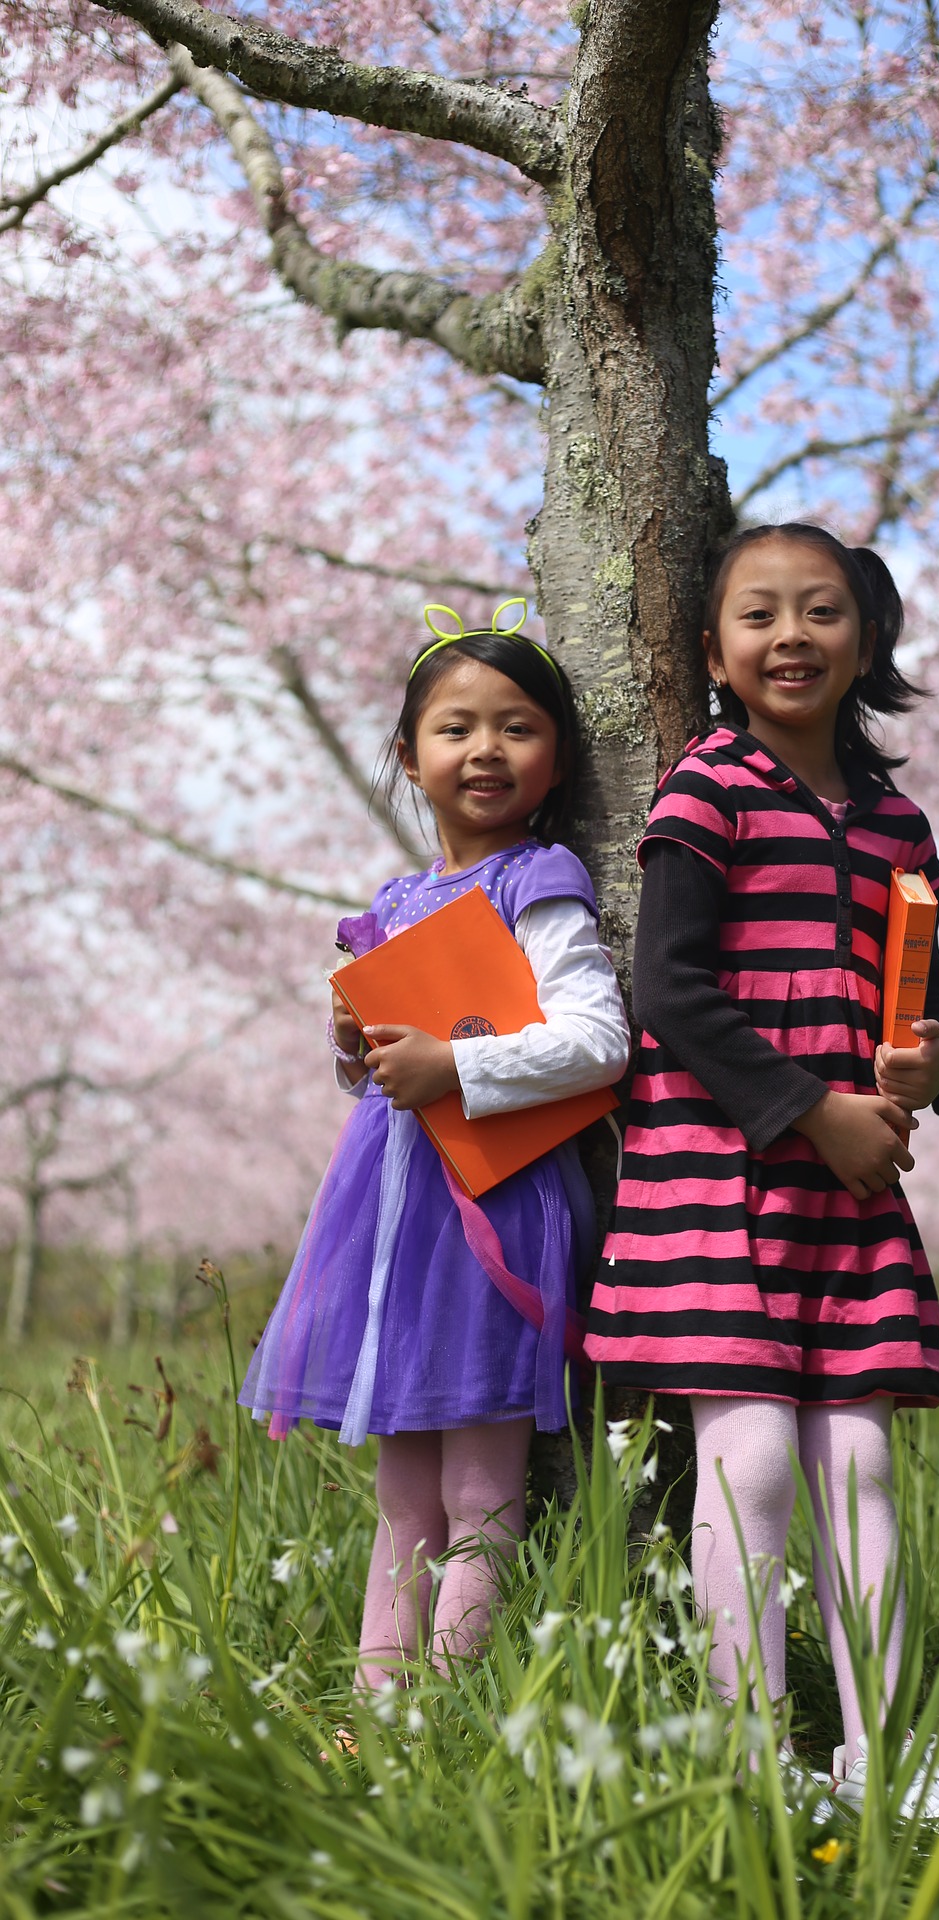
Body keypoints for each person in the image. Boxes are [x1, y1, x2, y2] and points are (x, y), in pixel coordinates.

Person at [585, 525, 939, 1815]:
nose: (789, 636)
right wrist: (809, 1108)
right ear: (712, 651)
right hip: (717, 1176)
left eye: (820, 612)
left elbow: (931, 1011)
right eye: (758, 615)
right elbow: (668, 989)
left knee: (854, 1469)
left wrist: (928, 1067)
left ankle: (881, 1757)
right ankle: (744, 1752)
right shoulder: (711, 786)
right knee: (745, 1467)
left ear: (867, 643)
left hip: (846, 1195)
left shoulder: (896, 824)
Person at [242, 603, 630, 1689]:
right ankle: (381, 1706)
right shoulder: (396, 902)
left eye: (517, 727)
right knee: (402, 1495)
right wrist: (356, 1050)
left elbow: (597, 1043)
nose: (485, 751)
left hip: (492, 1212)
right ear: (408, 757)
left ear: (555, 757)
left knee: (477, 1496)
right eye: (455, 728)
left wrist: (453, 1069)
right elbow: (386, 1061)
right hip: (393, 1217)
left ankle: (439, 1714)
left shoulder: (536, 883)